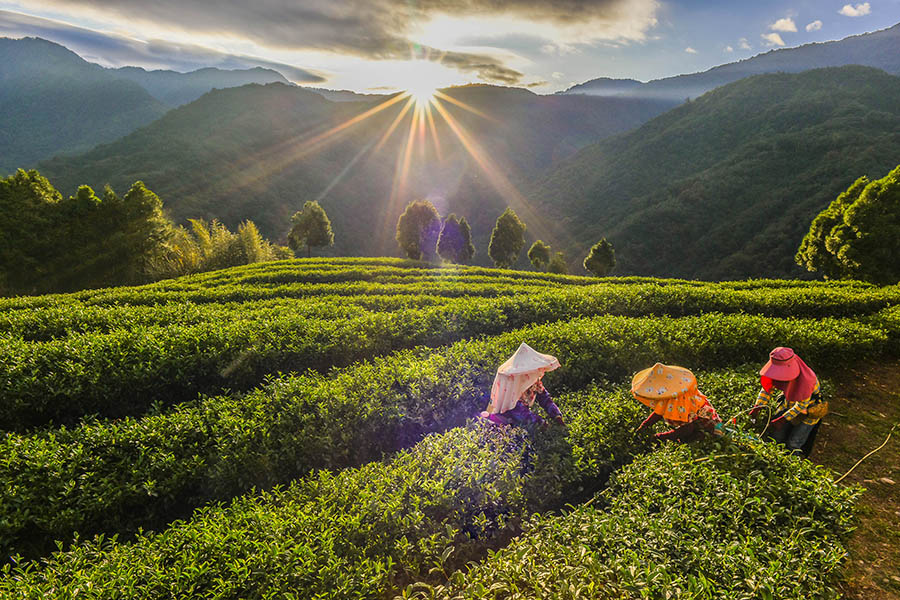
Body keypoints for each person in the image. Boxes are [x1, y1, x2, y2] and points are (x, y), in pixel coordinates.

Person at [750, 347, 826, 456]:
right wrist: (758, 406)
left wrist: (783, 419)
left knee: (793, 443)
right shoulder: (775, 371)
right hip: (788, 405)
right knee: (776, 438)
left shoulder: (807, 380)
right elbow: (767, 389)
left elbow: (801, 405)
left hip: (808, 411)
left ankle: (793, 465)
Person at [480, 342, 565, 428]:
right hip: (505, 418)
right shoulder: (513, 383)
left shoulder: (534, 382)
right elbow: (521, 413)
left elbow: (545, 398)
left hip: (519, 417)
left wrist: (556, 415)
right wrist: (541, 423)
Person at [633, 363, 721, 443]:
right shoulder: (671, 395)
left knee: (685, 439)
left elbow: (687, 429)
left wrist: (659, 437)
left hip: (710, 431)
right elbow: (659, 412)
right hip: (696, 427)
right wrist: (644, 426)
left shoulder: (681, 400)